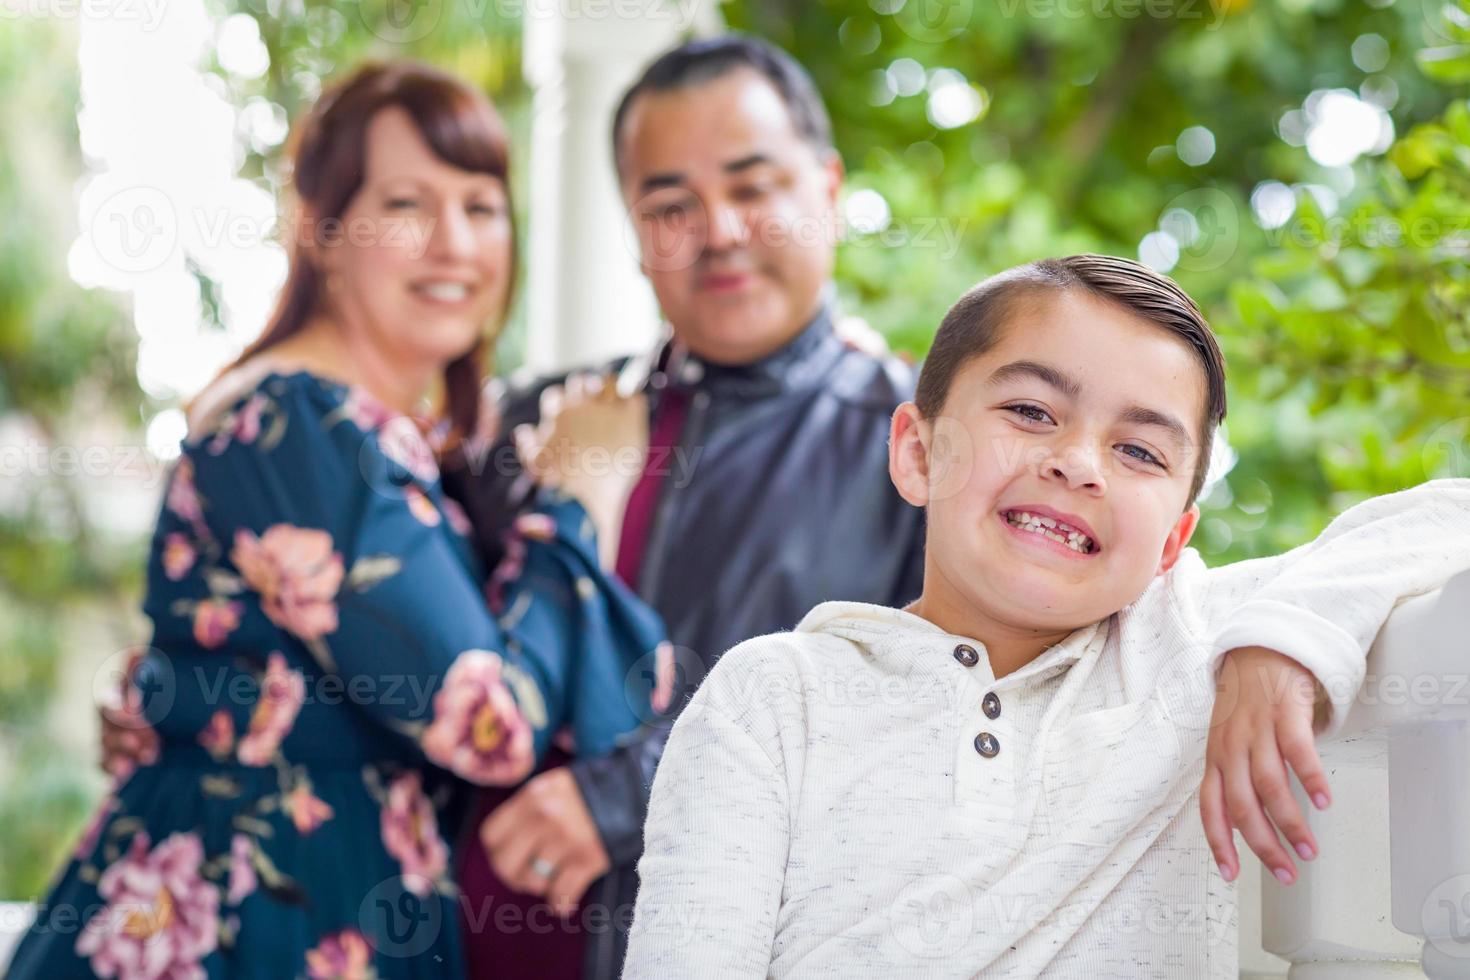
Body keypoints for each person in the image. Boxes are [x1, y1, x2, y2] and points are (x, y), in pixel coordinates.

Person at [622, 255, 1470, 976]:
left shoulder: (1183, 645)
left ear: (1173, 540)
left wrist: (1277, 642)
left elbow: (1448, 513)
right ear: (919, 452)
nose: (1076, 463)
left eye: (1139, 450)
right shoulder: (773, 696)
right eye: (1030, 412)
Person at [7, 61, 665, 979]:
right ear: (323, 232)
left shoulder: (396, 438)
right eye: (407, 205)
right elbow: (489, 718)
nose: (455, 244)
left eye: (482, 207)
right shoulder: (293, 421)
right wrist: (580, 495)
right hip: (254, 924)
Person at [443, 35, 925, 977]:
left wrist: (628, 794)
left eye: (753, 188)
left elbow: (924, 708)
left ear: (826, 190)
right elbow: (378, 609)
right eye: (670, 204)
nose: (719, 230)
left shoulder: (917, 448)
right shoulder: (530, 424)